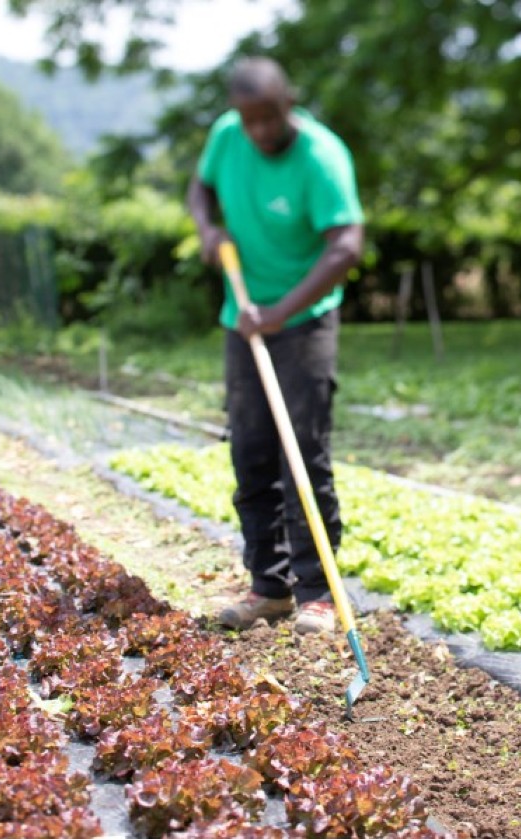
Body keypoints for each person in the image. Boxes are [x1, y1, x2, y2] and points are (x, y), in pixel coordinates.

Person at [187, 56, 364, 635]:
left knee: (303, 454)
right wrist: (208, 230)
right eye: (249, 120)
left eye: (269, 117)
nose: (259, 132)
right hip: (244, 318)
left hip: (304, 319)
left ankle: (319, 592)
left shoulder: (322, 156)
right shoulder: (226, 138)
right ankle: (271, 587)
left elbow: (345, 247)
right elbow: (201, 187)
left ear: (289, 102)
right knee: (251, 450)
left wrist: (281, 313)